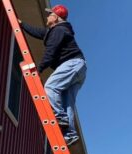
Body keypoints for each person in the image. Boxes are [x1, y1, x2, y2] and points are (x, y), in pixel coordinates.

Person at [19, 5, 87, 146]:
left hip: (72, 64)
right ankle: (70, 134)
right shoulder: (55, 31)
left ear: (55, 17)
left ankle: (60, 118)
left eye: (49, 14)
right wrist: (22, 24)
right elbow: (38, 32)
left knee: (50, 87)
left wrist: (39, 69)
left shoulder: (58, 30)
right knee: (67, 103)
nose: (47, 17)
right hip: (79, 67)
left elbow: (51, 51)